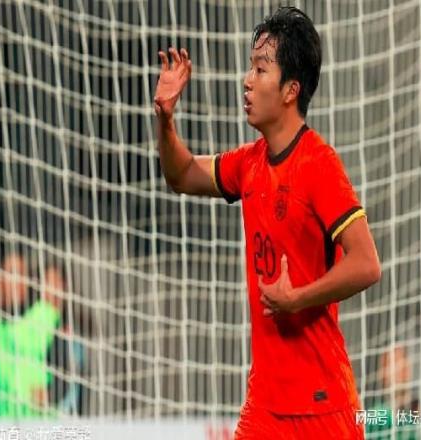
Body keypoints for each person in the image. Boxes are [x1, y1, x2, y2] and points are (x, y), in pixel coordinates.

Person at [154, 6, 381, 439]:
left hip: (323, 408)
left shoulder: (318, 164)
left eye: (260, 69)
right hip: (265, 407)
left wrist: (296, 299)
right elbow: (180, 175)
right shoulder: (248, 163)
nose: (247, 80)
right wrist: (166, 120)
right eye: (250, 67)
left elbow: (367, 263)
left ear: (291, 89)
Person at [0, 254, 62, 418]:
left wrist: (50, 393)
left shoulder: (44, 317)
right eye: (10, 272)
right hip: (1, 423)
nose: (16, 280)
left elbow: (67, 369)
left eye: (20, 273)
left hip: (40, 423)